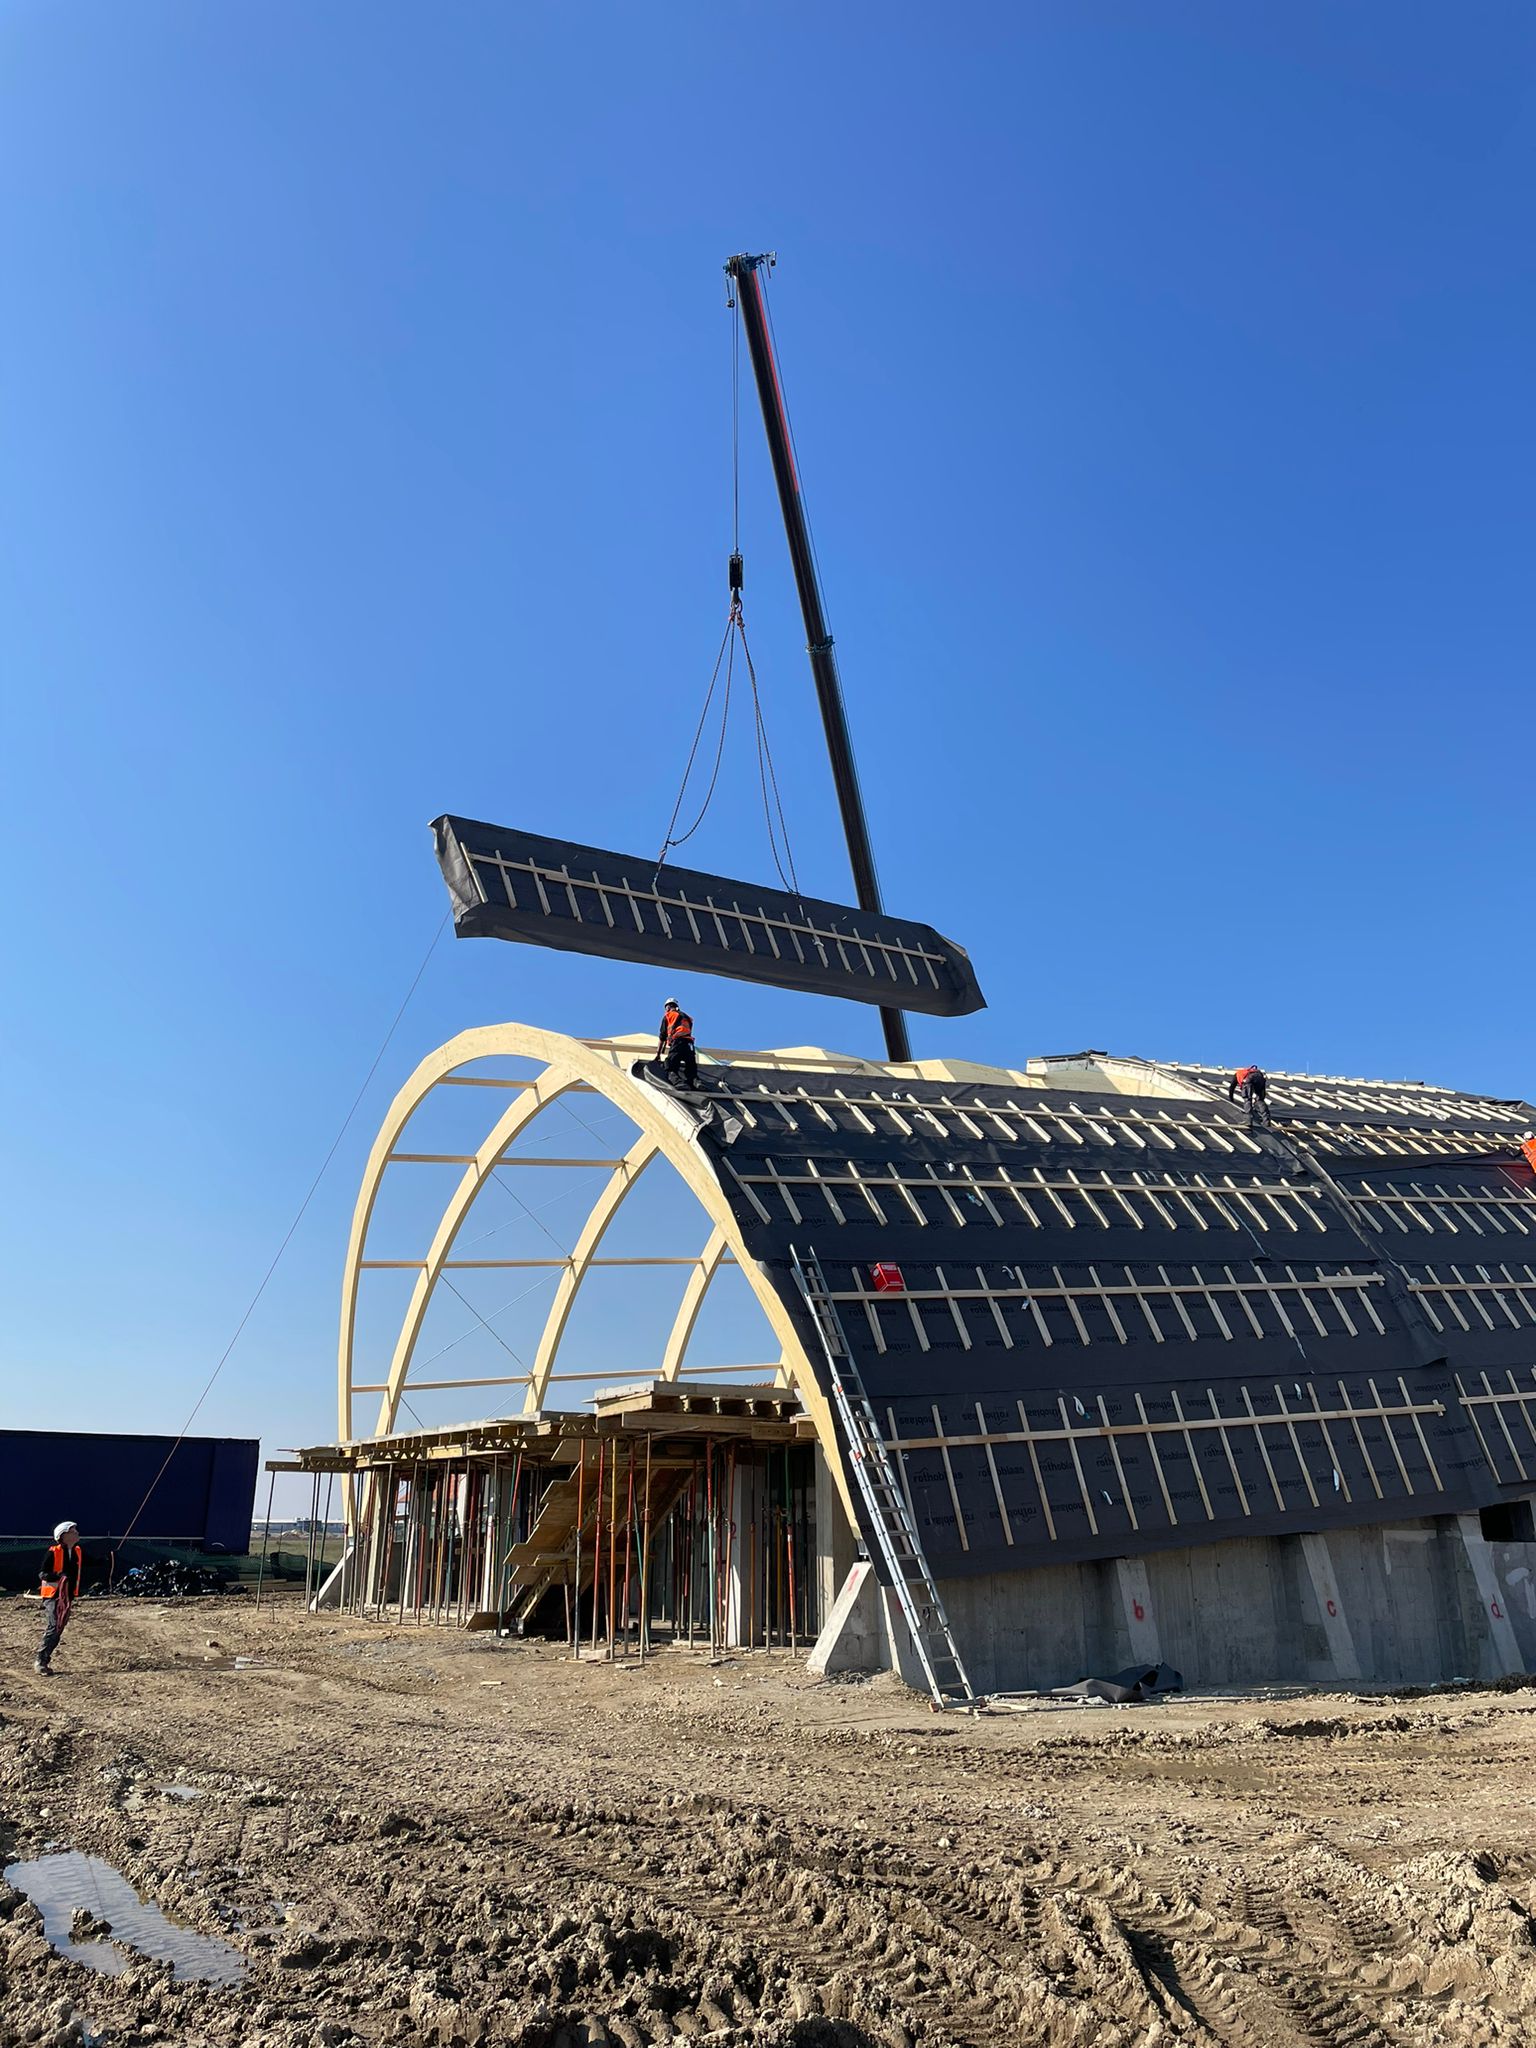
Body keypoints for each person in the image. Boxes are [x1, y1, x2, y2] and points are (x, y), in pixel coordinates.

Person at [36, 1521, 83, 1675]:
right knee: (55, 1625)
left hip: (67, 1597)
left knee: (58, 1627)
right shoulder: (53, 1552)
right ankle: (41, 1660)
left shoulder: (77, 1551)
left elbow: (92, 1562)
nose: (77, 1533)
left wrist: (109, 1557)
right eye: (73, 1531)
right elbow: (43, 1574)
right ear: (63, 1535)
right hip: (52, 1595)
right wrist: (59, 1576)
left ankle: (44, 1659)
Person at [656, 998, 698, 1090]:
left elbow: (662, 1037)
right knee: (691, 1067)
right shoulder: (687, 1018)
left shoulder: (668, 1016)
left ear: (668, 1007)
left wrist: (658, 1054)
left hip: (678, 1043)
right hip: (689, 1044)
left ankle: (678, 1083)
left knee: (670, 1065)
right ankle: (697, 1083)